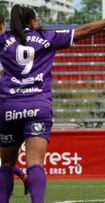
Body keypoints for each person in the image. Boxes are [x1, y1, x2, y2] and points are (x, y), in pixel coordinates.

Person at [0, 4, 105, 203]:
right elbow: (82, 32)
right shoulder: (46, 37)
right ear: (33, 22)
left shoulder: (4, 40)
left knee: (7, 164)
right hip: (37, 105)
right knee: (35, 162)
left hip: (8, 107)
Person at [0, 11, 29, 196]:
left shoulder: (5, 46)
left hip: (6, 104)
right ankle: (21, 176)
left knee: (6, 158)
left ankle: (16, 178)